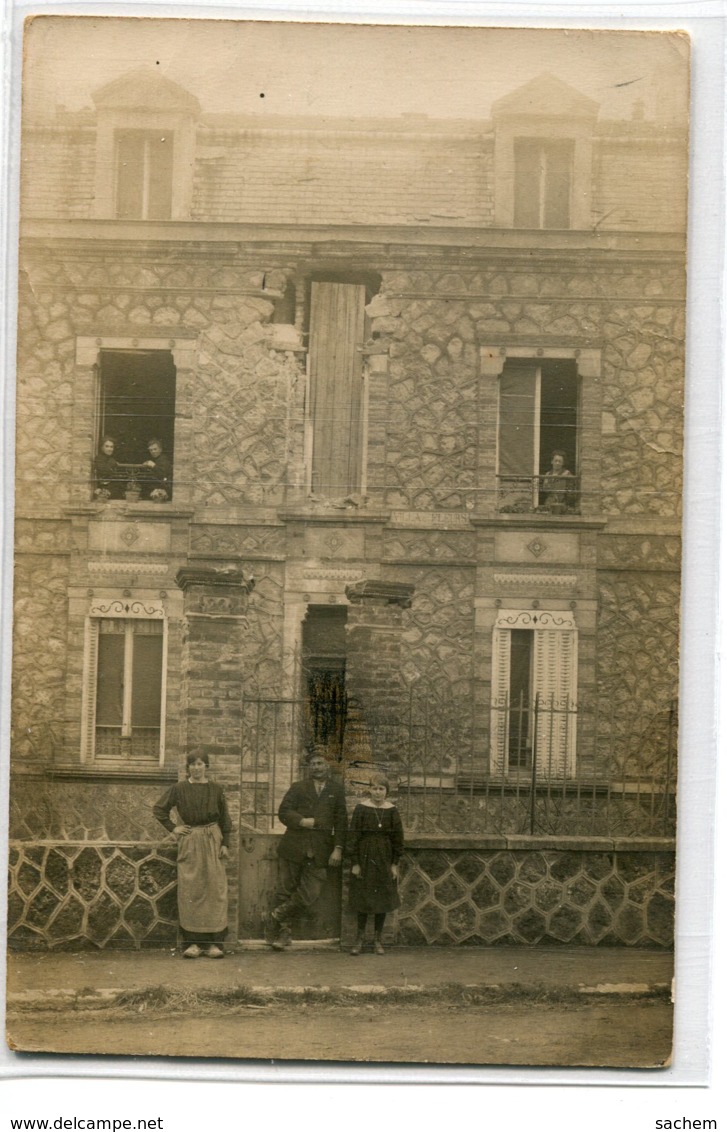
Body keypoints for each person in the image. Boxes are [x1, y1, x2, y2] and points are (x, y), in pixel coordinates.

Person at [264, 750, 347, 951]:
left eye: (320, 763)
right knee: (285, 889)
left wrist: (337, 848)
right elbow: (283, 812)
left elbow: (341, 821)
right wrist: (301, 821)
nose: (316, 767)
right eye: (313, 764)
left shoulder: (336, 790)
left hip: (320, 850)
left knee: (311, 892)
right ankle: (284, 934)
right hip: (294, 846)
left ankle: (276, 915)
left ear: (328, 766)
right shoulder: (298, 788)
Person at [152, 753, 231, 958]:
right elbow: (159, 809)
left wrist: (226, 844)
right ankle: (192, 943)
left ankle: (215, 944)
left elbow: (225, 819)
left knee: (215, 889)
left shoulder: (216, 789)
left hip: (213, 838)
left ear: (206, 766)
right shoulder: (179, 789)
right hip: (191, 838)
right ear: (188, 768)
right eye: (192, 765)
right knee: (191, 889)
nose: (196, 768)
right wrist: (173, 828)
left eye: (200, 764)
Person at [347, 773, 404, 955]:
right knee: (363, 898)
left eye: (381, 789)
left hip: (384, 859)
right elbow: (353, 837)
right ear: (369, 790)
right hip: (364, 858)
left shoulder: (392, 811)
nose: (378, 792)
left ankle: (378, 940)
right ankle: (360, 940)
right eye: (374, 788)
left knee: (382, 899)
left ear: (386, 791)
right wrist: (355, 863)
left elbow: (398, 840)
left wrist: (394, 864)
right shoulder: (361, 809)